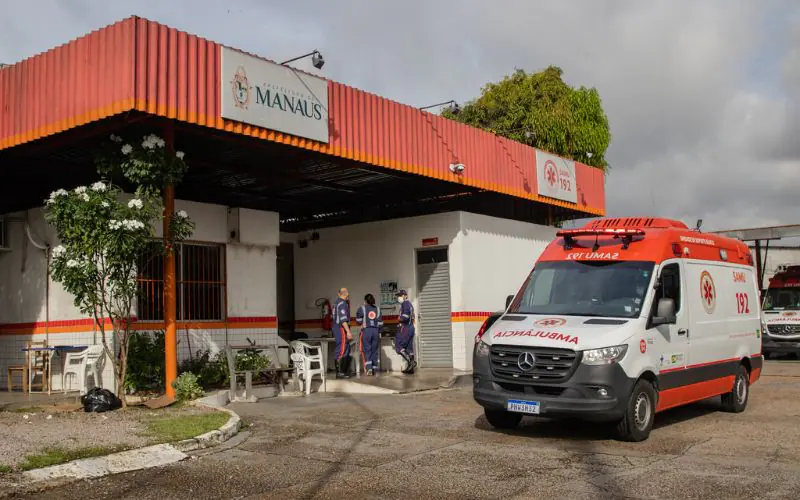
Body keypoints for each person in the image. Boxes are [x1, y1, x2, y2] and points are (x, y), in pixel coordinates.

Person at [356, 294, 383, 376]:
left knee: (367, 350)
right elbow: (380, 323)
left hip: (366, 331)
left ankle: (369, 369)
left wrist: (362, 322)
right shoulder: (378, 309)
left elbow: (358, 321)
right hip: (376, 331)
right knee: (374, 350)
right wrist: (379, 332)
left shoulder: (362, 308)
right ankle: (374, 368)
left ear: (365, 301)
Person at [333, 287, 353, 378]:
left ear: (339, 294)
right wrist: (348, 331)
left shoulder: (336, 303)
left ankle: (343, 371)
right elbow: (343, 320)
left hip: (337, 327)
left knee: (346, 348)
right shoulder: (342, 304)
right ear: (347, 294)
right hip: (340, 328)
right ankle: (339, 372)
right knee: (341, 348)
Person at [396, 290, 417, 374]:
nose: (399, 297)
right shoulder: (410, 304)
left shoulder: (405, 304)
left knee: (399, 347)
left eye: (400, 295)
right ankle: (410, 369)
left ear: (405, 296)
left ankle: (411, 362)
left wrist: (399, 319)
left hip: (406, 328)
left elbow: (405, 317)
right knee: (409, 348)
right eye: (398, 296)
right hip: (411, 327)